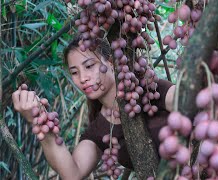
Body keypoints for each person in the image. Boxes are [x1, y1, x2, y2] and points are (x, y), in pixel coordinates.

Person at [12, 37, 175, 179]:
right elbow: (72, 173)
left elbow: (193, 101)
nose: (83, 78)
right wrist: (39, 122)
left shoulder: (151, 91)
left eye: (89, 66)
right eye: (74, 72)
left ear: (111, 63)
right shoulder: (100, 128)